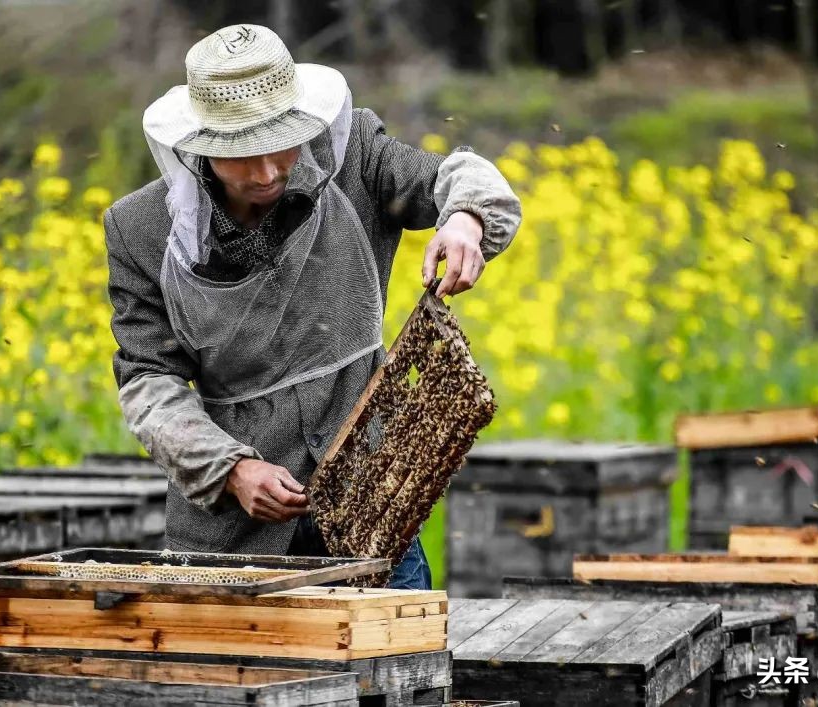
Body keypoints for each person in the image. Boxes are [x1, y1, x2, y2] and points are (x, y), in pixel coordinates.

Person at [105, 24, 520, 589]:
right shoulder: (141, 229)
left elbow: (455, 176)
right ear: (199, 147)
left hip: (372, 507)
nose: (268, 172)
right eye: (242, 156)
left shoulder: (354, 161)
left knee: (394, 670)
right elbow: (148, 381)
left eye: (281, 143)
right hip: (233, 536)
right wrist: (229, 469)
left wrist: (467, 217)